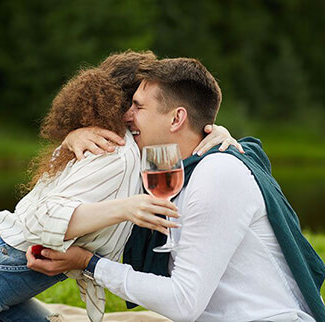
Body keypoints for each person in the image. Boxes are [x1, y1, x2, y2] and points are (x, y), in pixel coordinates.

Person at [0, 51, 238, 322]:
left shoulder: (134, 152)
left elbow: (182, 135)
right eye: (137, 104)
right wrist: (125, 209)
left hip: (0, 285)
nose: (134, 113)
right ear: (123, 107)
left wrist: (212, 132)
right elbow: (39, 218)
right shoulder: (116, 151)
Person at [27, 57, 325, 321]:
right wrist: (71, 140)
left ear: (177, 117)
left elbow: (183, 302)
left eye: (138, 106)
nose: (126, 115)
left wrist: (90, 264)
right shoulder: (175, 169)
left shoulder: (218, 172)